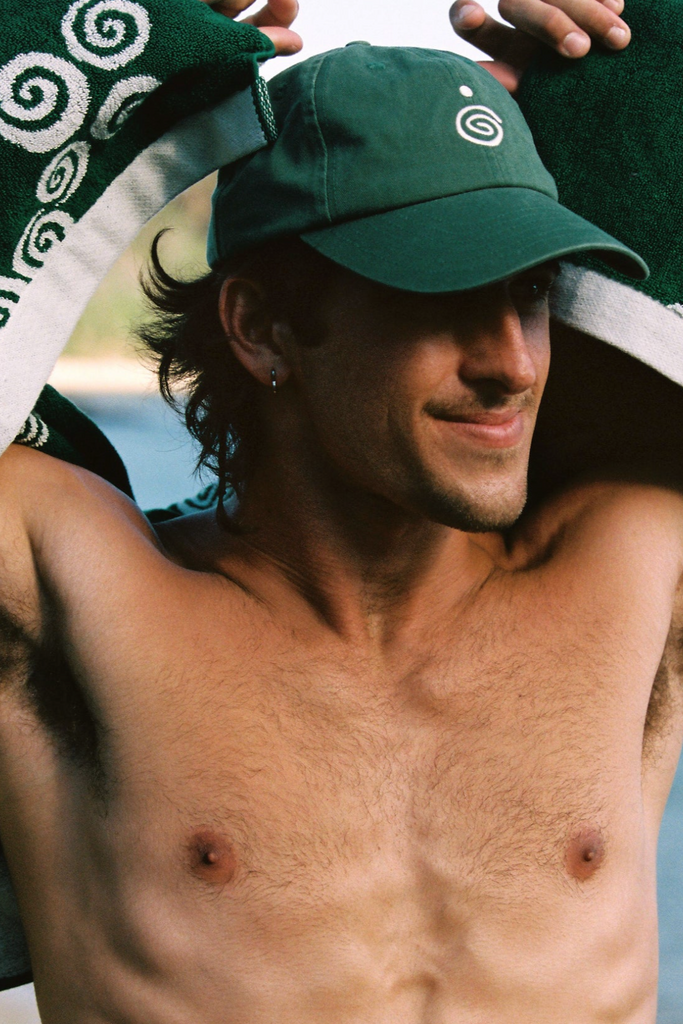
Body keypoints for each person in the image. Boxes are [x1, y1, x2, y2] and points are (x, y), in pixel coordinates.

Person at [0, 5, 679, 1024]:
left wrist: (641, 44)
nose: (511, 363)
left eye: (532, 290)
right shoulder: (78, 587)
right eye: (440, 291)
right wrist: (81, 27)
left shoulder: (633, 566)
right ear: (261, 325)